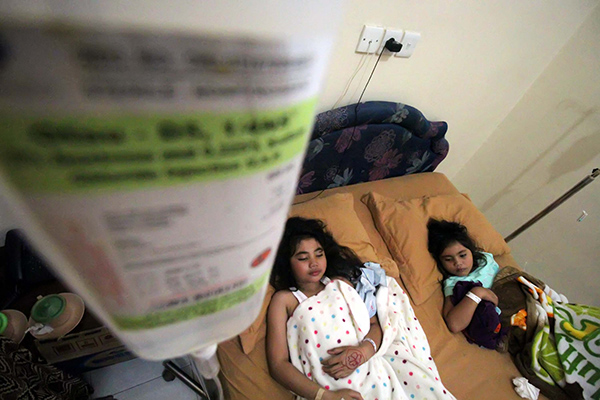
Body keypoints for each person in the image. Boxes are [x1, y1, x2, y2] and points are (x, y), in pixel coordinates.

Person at [267, 217, 455, 400]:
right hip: (329, 389)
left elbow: (375, 325)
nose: (314, 262)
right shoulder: (284, 300)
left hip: (373, 373)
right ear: (286, 263)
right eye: (303, 258)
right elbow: (278, 364)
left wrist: (363, 352)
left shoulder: (340, 285)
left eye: (319, 254)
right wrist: (325, 396)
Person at [427, 218, 506, 350]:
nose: (458, 263)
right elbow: (454, 324)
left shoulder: (485, 260)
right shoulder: (454, 284)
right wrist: (477, 293)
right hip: (503, 323)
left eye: (462, 255)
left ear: (471, 250)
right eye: (448, 259)